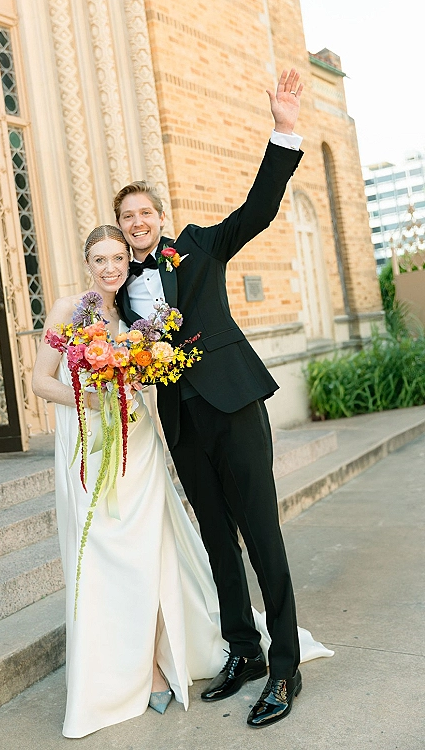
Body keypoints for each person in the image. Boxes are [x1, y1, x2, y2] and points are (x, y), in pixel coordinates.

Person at [32, 216, 331, 739]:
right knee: (166, 543)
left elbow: (252, 218)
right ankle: (192, 660)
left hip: (157, 435)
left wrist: (285, 138)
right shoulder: (75, 310)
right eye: (100, 258)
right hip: (106, 436)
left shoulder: (147, 298)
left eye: (117, 258)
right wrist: (93, 397)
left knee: (208, 541)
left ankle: (281, 666)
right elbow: (43, 380)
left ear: (133, 256)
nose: (110, 266)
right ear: (87, 263)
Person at [115, 69, 309, 728]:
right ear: (120, 229)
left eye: (146, 214)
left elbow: (258, 209)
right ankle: (245, 652)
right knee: (217, 542)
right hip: (180, 423)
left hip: (233, 406)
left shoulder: (199, 246)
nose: (138, 224)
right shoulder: (120, 293)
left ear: (160, 220)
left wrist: (283, 131)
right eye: (127, 218)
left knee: (260, 534)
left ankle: (285, 668)